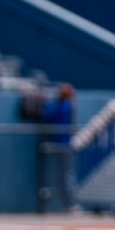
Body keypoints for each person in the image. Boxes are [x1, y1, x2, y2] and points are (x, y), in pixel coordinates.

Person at [43, 83, 77, 212]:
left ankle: (71, 203)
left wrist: (46, 104)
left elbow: (50, 117)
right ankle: (68, 203)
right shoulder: (66, 105)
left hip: (63, 144)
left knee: (66, 175)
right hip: (62, 144)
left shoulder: (65, 106)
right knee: (64, 175)